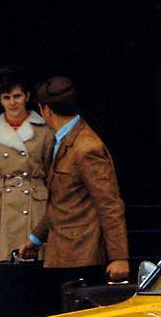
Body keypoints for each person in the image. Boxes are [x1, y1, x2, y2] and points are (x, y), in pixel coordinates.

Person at [21, 76, 130, 301]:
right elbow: (63, 201)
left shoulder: (86, 146)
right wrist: (35, 239)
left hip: (83, 257)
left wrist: (119, 257)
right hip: (64, 254)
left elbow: (109, 203)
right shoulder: (62, 140)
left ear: (46, 110)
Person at [0, 67, 54, 262]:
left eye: (17, 96)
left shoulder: (45, 132)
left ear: (27, 96)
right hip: (0, 211)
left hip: (35, 207)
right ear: (0, 100)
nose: (12, 102)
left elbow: (54, 179)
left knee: (34, 270)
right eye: (7, 97)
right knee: (1, 271)